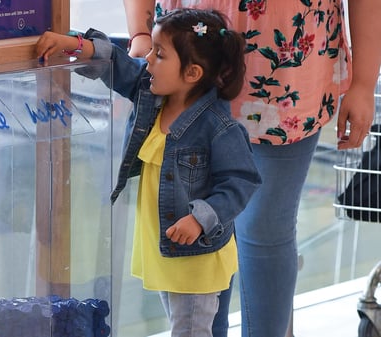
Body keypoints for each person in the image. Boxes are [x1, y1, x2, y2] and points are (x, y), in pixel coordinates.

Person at [123, 1, 381, 337]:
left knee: (265, 232)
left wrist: (363, 82)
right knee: (196, 226)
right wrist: (141, 35)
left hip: (291, 65)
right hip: (188, 57)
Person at [37, 8, 262, 337]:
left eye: (160, 54)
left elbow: (241, 182)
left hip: (195, 257)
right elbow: (116, 63)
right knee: (183, 327)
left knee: (189, 331)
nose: (149, 60)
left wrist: (200, 217)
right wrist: (74, 44)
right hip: (166, 248)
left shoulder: (218, 126)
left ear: (192, 72)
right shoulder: (151, 92)